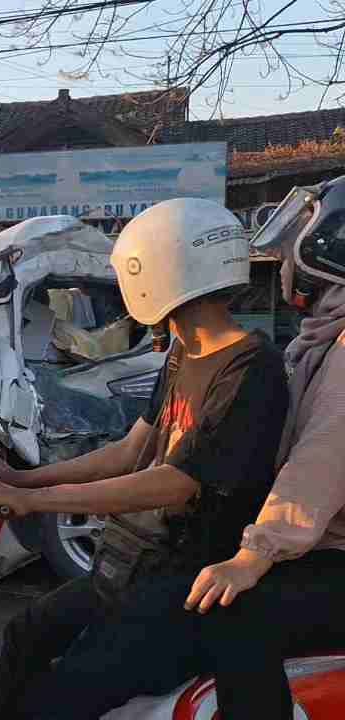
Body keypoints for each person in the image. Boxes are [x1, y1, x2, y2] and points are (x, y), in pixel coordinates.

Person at [0, 197, 289, 720]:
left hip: (177, 586)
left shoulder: (252, 369)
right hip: (124, 564)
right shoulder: (183, 351)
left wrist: (33, 500)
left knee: (56, 700)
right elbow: (130, 450)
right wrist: (23, 477)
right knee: (25, 633)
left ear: (160, 271)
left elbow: (174, 483)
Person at [181, 175, 345, 719]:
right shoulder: (319, 337)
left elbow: (322, 456)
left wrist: (256, 554)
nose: (282, 267)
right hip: (323, 543)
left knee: (236, 609)